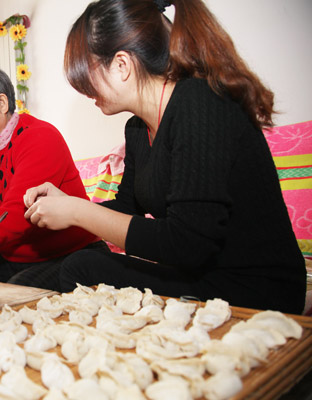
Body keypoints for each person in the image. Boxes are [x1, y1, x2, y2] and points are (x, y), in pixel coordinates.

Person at [24, 0, 306, 314]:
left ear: (121, 65)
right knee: (43, 274)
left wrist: (77, 212)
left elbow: (187, 244)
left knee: (83, 267)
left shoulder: (200, 104)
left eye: (85, 75)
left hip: (256, 289)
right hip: (202, 275)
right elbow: (126, 208)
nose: (83, 89)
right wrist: (66, 204)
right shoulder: (138, 128)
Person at [0, 65, 107, 291]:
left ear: (1, 104)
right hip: (15, 257)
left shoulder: (40, 138)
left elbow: (16, 215)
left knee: (17, 292)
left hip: (72, 254)